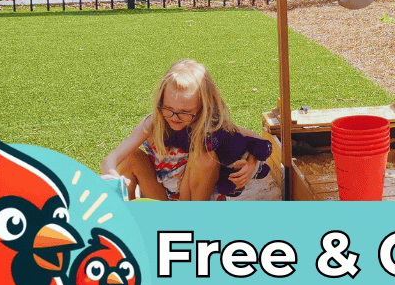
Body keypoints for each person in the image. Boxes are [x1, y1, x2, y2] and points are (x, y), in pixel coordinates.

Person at [101, 59, 271, 201]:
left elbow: (257, 139)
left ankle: (193, 222)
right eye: (167, 107)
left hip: (195, 200)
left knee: (206, 155)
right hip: (160, 198)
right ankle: (127, 220)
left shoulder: (212, 126)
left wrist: (251, 164)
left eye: (185, 112)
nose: (174, 117)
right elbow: (111, 159)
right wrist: (111, 178)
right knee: (131, 157)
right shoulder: (154, 123)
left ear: (203, 107)